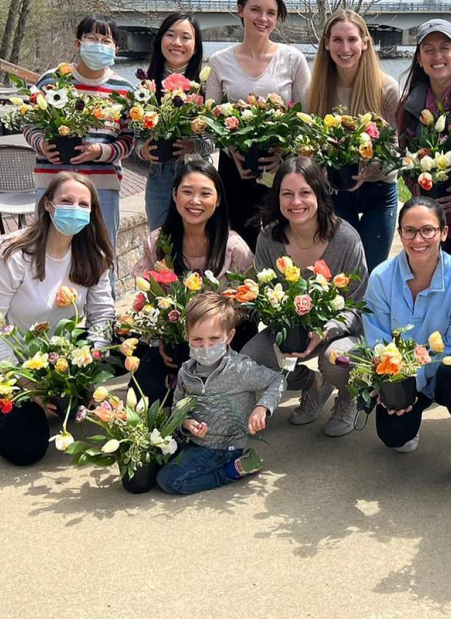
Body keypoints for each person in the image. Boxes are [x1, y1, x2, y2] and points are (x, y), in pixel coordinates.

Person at [0, 173, 115, 466]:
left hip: (52, 355)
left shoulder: (94, 255)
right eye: (66, 201)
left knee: (125, 353)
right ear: (47, 205)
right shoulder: (13, 254)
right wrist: (30, 387)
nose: (75, 209)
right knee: (27, 447)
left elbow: (103, 315)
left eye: (84, 204)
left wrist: (92, 367)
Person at [362, 197, 451, 492]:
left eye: (428, 230)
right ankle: (412, 418)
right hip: (400, 372)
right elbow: (377, 338)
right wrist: (390, 382)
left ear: (444, 233)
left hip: (447, 371)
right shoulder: (381, 278)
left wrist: (413, 378)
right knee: (395, 438)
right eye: (409, 231)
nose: (418, 239)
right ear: (400, 234)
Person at [241, 157, 368, 437]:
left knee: (337, 360)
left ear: (319, 195)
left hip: (338, 331)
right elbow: (263, 297)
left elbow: (358, 304)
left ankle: (347, 399)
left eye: (305, 193)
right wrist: (280, 322)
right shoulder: (268, 239)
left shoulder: (346, 239)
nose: (296, 202)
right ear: (278, 198)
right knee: (249, 360)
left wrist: (324, 330)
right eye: (287, 193)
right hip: (289, 331)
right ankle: (313, 384)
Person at [133, 158, 255, 403]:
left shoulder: (233, 248)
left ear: (218, 200)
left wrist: (210, 338)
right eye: (187, 192)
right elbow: (147, 299)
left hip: (224, 344)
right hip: (175, 343)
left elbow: (250, 307)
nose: (195, 201)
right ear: (175, 195)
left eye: (205, 194)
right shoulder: (158, 243)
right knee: (145, 394)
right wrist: (163, 337)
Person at [205, 0, 311, 248]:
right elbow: (209, 121)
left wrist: (283, 153)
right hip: (235, 169)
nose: (263, 18)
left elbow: (308, 119)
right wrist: (231, 151)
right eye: (255, 10)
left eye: (271, 13)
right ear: (240, 10)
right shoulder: (219, 61)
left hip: (281, 168)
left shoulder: (293, 59)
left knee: (284, 243)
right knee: (237, 244)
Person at [25, 15, 133, 259]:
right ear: (78, 44)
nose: (99, 45)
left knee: (101, 256)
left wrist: (101, 151)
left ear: (116, 48)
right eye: (92, 38)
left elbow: (128, 139)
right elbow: (29, 123)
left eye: (106, 40)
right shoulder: (53, 80)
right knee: (45, 253)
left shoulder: (124, 89)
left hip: (102, 185)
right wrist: (41, 144)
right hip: (53, 183)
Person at [156, 293, 284, 494]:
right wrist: (187, 423)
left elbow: (277, 380)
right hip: (192, 442)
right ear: (187, 336)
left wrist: (263, 407)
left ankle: (231, 471)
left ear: (229, 336)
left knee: (168, 480)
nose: (206, 347)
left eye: (214, 339)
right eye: (197, 340)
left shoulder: (239, 369)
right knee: (151, 461)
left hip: (224, 448)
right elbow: (176, 408)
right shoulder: (186, 372)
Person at [308, 10, 401, 271]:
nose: (345, 47)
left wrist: (375, 167)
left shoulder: (386, 88)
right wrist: (321, 169)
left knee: (372, 270)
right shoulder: (315, 89)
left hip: (378, 190)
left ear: (365, 42)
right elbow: (308, 144)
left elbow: (397, 148)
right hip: (335, 191)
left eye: (352, 39)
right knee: (342, 269)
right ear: (326, 43)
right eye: (337, 40)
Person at [397, 19, 451, 272]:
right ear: (420, 59)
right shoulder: (409, 106)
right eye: (429, 49)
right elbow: (404, 160)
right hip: (425, 225)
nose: (438, 56)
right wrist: (419, 188)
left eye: (445, 47)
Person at [138, 13, 214, 230]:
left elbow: (216, 140)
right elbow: (135, 136)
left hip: (197, 173)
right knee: (160, 243)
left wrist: (193, 145)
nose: (177, 43)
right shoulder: (145, 88)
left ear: (196, 46)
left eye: (185, 37)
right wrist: (143, 150)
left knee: (199, 245)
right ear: (160, 40)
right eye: (170, 35)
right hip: (160, 176)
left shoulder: (206, 87)